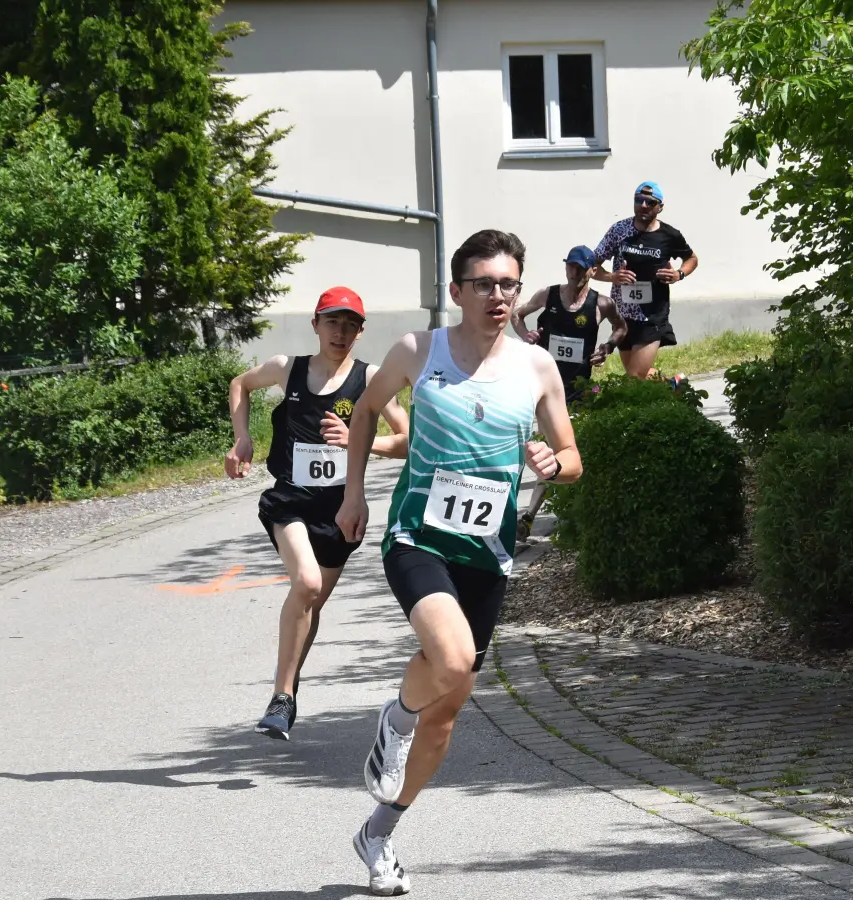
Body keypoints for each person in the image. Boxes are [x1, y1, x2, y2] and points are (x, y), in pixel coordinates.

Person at [336, 230, 583, 896]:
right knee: (447, 660)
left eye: (509, 283)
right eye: (484, 284)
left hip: (488, 555)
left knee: (448, 709)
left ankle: (379, 832)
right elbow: (363, 412)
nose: (499, 296)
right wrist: (354, 492)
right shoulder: (420, 351)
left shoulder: (536, 367)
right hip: (418, 538)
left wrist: (551, 463)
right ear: (457, 292)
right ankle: (393, 720)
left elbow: (573, 458)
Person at [225, 287, 410, 742]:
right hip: (289, 502)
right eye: (332, 322)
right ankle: (282, 696)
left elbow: (407, 441)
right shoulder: (287, 369)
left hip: (340, 511)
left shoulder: (369, 381)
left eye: (350, 325)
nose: (340, 332)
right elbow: (239, 385)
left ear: (360, 331)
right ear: (315, 325)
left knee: (312, 602)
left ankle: (287, 691)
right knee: (306, 584)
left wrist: (357, 440)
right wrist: (242, 438)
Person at [509, 245, 627, 541]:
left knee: (557, 449)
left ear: (590, 271)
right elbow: (517, 315)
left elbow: (621, 328)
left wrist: (607, 348)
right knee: (530, 446)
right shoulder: (547, 295)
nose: (572, 272)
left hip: (575, 389)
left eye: (578, 268)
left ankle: (529, 516)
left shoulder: (601, 303)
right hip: (539, 384)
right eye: (569, 266)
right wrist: (527, 337)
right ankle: (521, 511)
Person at [590, 181, 700, 378]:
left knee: (634, 376)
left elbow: (691, 259)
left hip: (652, 315)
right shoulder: (619, 230)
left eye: (649, 202)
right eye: (638, 200)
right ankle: (675, 385)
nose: (643, 205)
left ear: (660, 207)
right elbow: (592, 265)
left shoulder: (669, 235)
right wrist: (612, 277)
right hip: (623, 315)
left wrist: (678, 274)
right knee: (639, 373)